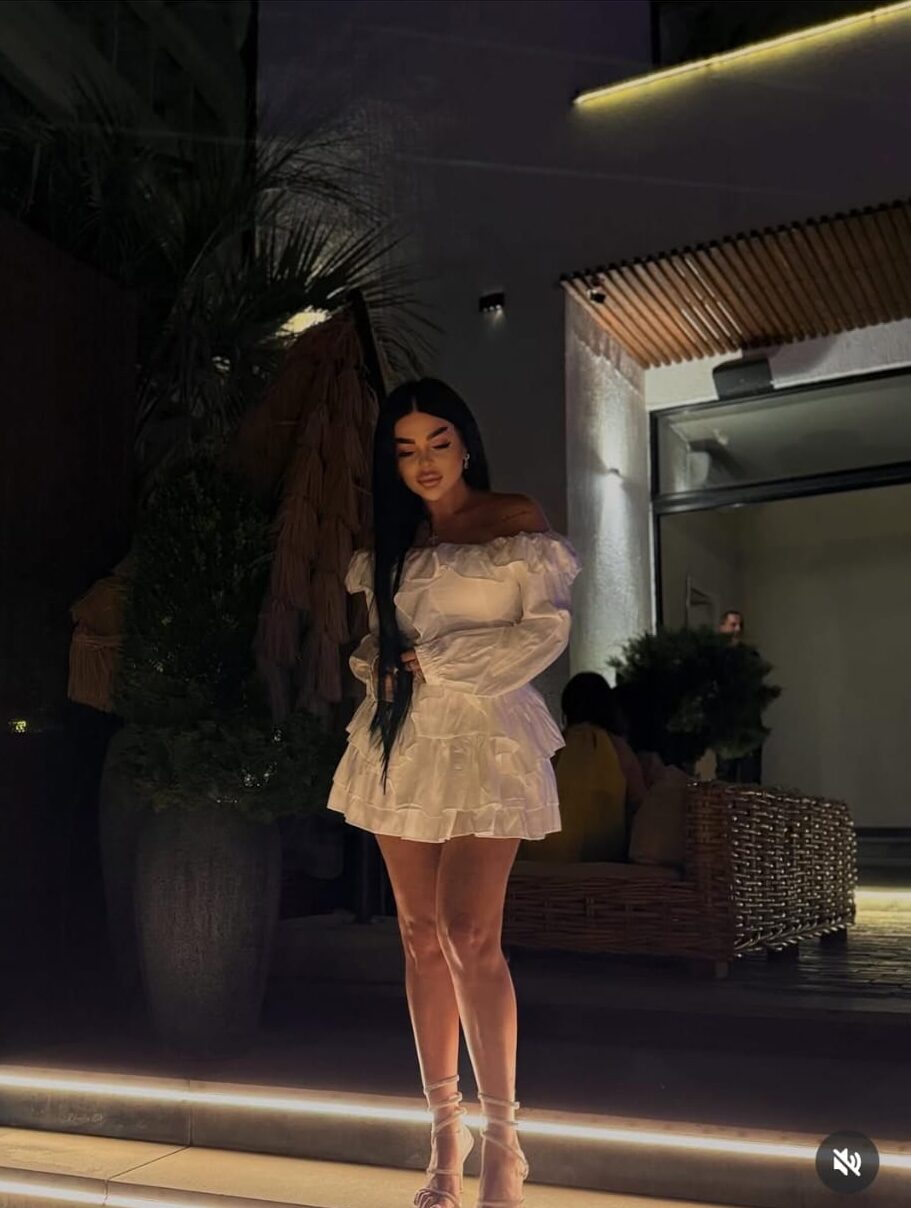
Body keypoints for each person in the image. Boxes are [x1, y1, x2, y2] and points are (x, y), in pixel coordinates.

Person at [327, 378, 581, 1208]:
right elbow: (377, 642)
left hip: (486, 734)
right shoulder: (393, 542)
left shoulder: (513, 519)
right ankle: (445, 1139)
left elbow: (544, 629)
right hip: (404, 739)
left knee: (469, 931)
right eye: (405, 449)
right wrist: (385, 669)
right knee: (418, 936)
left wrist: (438, 663)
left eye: (437, 441)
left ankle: (504, 1143)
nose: (424, 461)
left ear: (464, 442)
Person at [521, 672, 645, 862]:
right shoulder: (618, 748)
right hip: (602, 852)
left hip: (542, 852)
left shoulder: (552, 746)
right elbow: (639, 803)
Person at [716, 608, 763, 783]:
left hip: (749, 725)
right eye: (733, 625)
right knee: (725, 777)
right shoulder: (715, 657)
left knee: (751, 778)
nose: (737, 629)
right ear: (722, 627)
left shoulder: (751, 655)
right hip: (725, 727)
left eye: (740, 625)